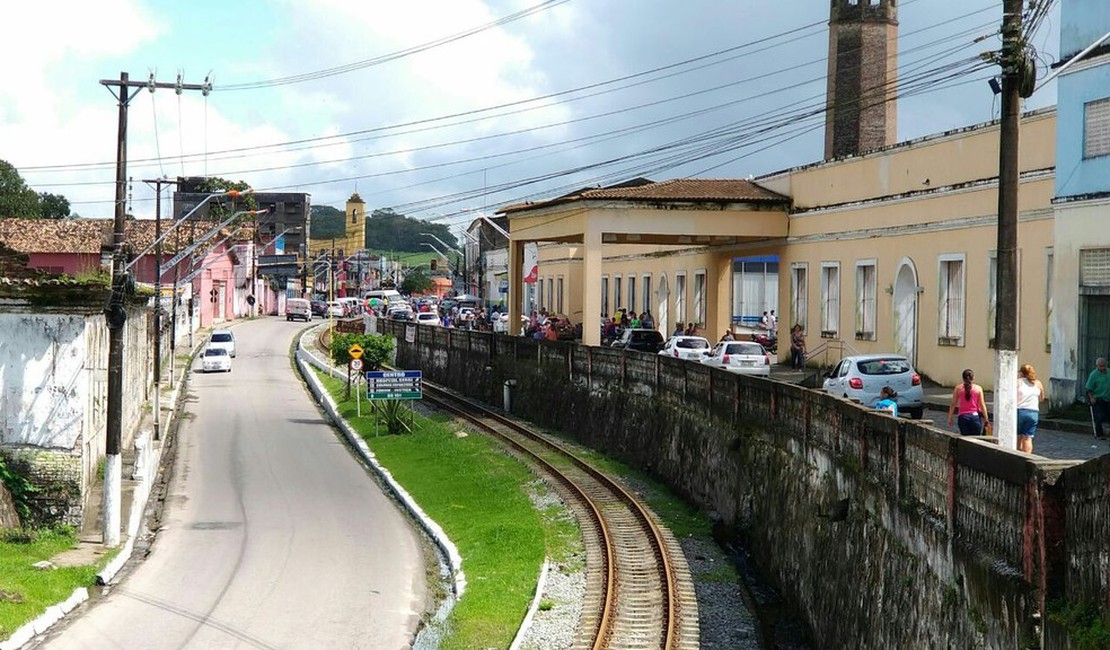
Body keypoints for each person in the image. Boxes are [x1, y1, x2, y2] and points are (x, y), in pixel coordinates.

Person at [947, 369, 989, 436]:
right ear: (973, 377)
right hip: (975, 417)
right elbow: (982, 404)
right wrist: (986, 419)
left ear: (963, 378)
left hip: (963, 417)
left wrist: (950, 417)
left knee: (965, 439)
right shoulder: (978, 388)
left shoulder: (958, 388)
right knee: (976, 439)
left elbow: (953, 404)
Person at [1016, 363, 1046, 454]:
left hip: (1020, 410)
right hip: (1033, 412)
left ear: (1022, 373)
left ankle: (1017, 454)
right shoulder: (1038, 383)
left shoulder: (1018, 382)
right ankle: (1028, 456)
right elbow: (1042, 398)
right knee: (1028, 438)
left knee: (1018, 436)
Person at [1085, 357, 1110, 440]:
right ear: (1097, 366)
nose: (1102, 368)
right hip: (1098, 399)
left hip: (1108, 398)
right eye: (1100, 366)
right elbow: (1089, 388)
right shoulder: (1093, 375)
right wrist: (1091, 398)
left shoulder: (1109, 372)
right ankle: (1099, 434)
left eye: (1104, 366)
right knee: (1099, 417)